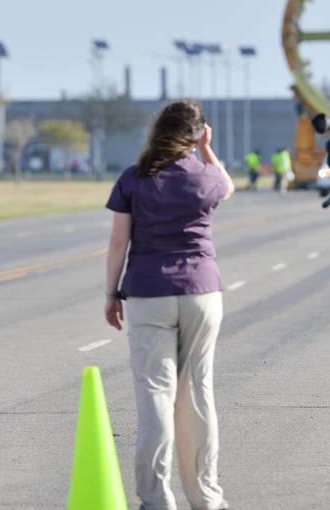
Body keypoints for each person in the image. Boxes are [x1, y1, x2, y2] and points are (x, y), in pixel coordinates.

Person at [104, 99, 233, 510]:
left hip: (149, 292)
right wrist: (207, 148)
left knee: (155, 397)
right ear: (197, 134)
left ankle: (157, 498)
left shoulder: (135, 178)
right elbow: (228, 186)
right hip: (201, 292)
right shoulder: (206, 176)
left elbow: (118, 244)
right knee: (198, 393)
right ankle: (206, 496)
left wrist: (111, 293)